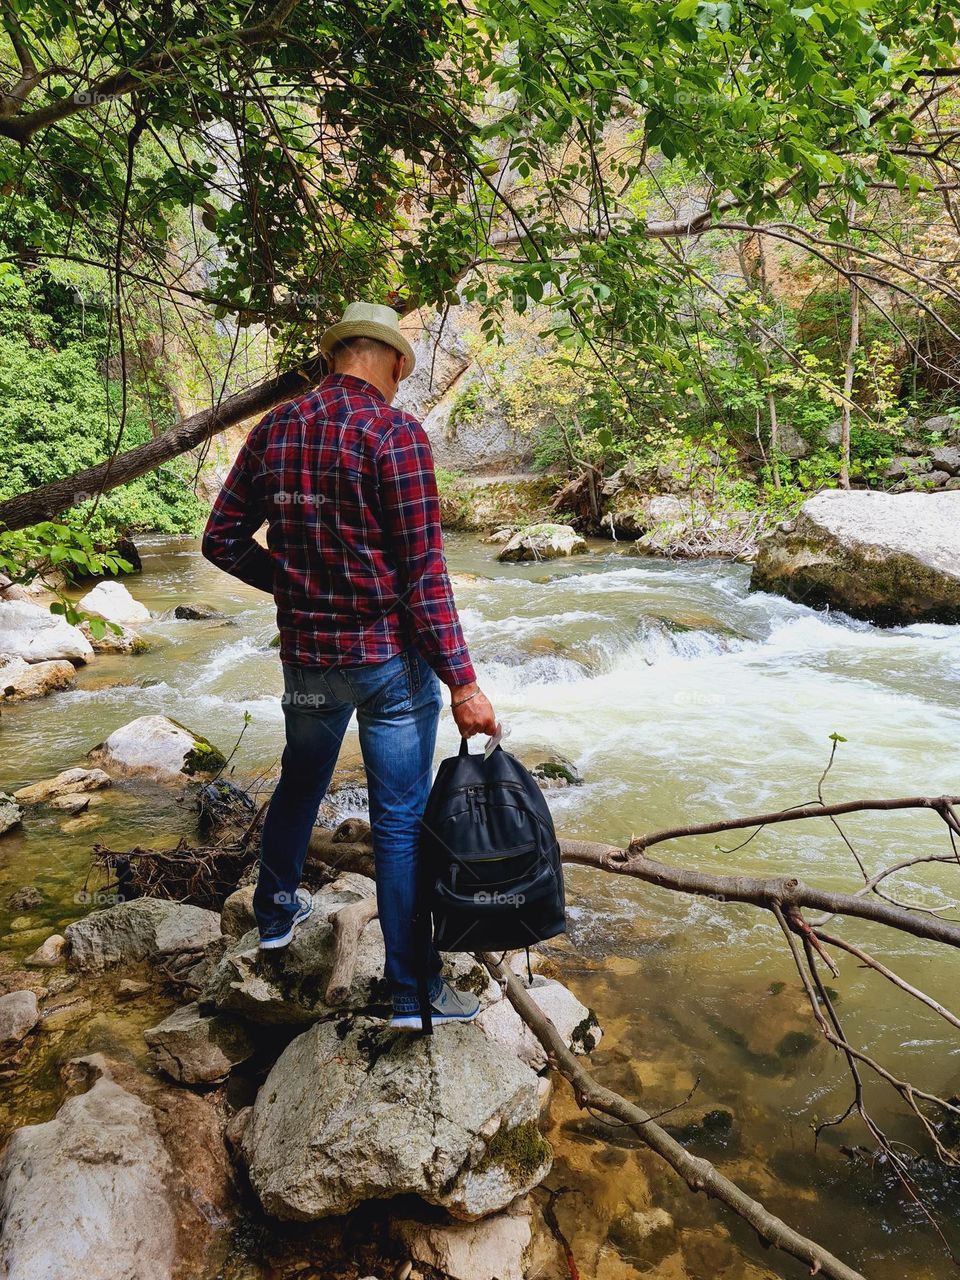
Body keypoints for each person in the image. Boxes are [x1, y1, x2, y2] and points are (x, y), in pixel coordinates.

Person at [202, 301, 497, 1029]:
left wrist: (294, 584)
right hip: (390, 664)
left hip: (308, 658)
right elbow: (424, 574)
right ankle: (411, 990)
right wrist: (463, 679)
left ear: (335, 356)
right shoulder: (394, 433)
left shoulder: (273, 429)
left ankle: (273, 915)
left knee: (302, 782)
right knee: (399, 823)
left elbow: (222, 541)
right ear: (394, 362)